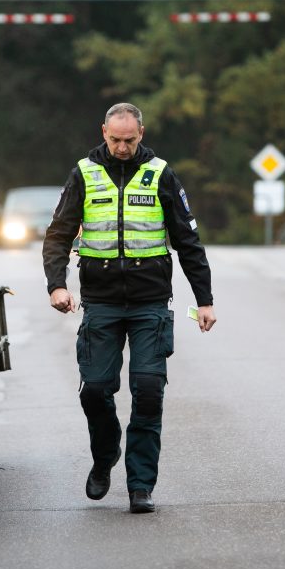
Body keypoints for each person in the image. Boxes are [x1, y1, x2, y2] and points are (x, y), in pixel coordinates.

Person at [42, 102, 216, 514]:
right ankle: (105, 457)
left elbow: (187, 241)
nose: (122, 147)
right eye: (115, 140)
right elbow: (58, 235)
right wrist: (57, 286)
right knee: (96, 391)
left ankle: (141, 486)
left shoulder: (161, 174)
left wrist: (204, 299)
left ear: (142, 133)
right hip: (100, 303)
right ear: (103, 131)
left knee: (149, 390)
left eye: (130, 140)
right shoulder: (84, 173)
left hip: (149, 303)